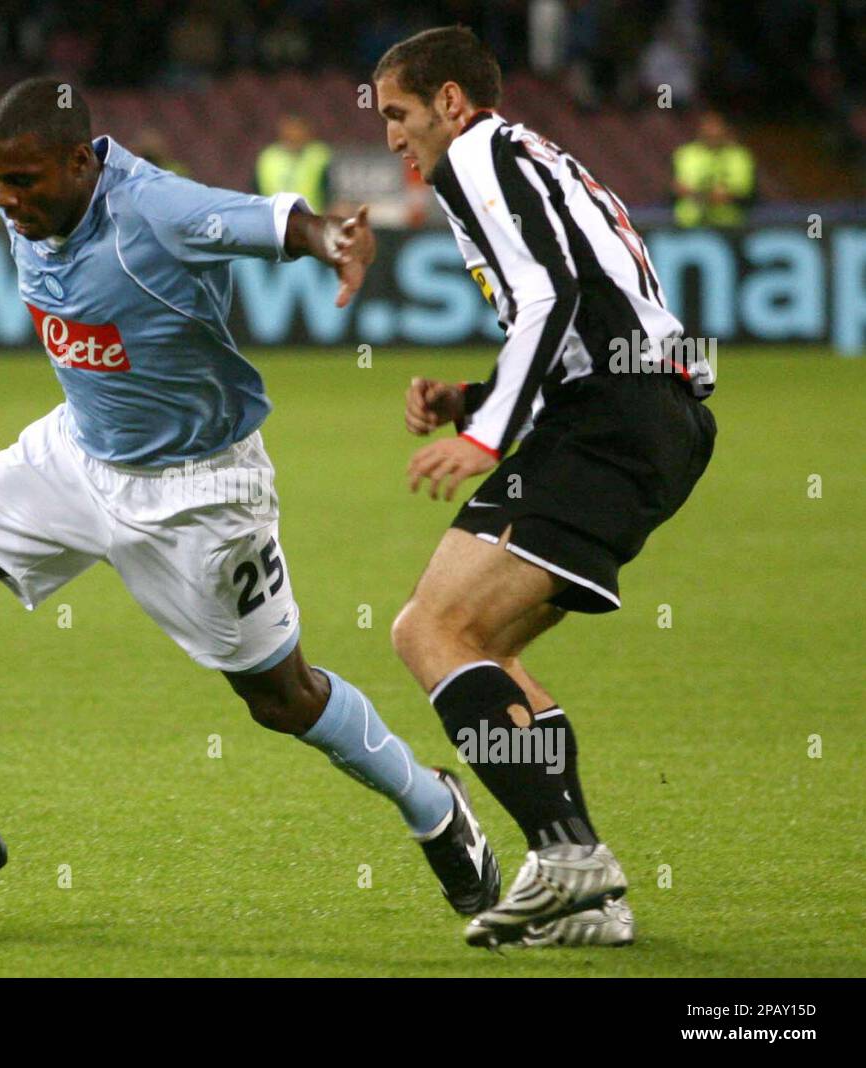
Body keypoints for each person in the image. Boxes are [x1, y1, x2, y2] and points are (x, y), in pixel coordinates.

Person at [0, 78, 500, 922]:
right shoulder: (21, 183)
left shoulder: (155, 212)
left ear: (82, 162)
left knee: (280, 697)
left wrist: (329, 236)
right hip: (77, 453)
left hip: (200, 493)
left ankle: (434, 807)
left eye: (28, 183)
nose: (9, 203)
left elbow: (272, 221)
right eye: (0, 182)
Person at [374, 27, 716, 948]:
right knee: (488, 650)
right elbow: (586, 311)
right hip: (649, 411)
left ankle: (568, 855)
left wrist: (487, 435)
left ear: (451, 101)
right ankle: (592, 899)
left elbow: (551, 294)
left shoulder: (480, 150)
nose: (392, 137)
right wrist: (474, 398)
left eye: (400, 114)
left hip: (615, 416)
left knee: (431, 629)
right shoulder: (527, 156)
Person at [672, 110, 756, 227]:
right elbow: (677, 186)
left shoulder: (739, 156)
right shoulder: (686, 154)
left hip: (728, 225)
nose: (712, 132)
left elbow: (744, 190)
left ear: (725, 129)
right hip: (688, 223)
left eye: (716, 127)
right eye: (708, 126)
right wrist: (707, 195)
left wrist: (725, 195)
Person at [255, 115, 331, 214]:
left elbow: (330, 190)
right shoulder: (268, 158)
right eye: (290, 130)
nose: (293, 134)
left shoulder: (319, 156)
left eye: (297, 129)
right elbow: (256, 191)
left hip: (312, 218)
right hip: (274, 220)